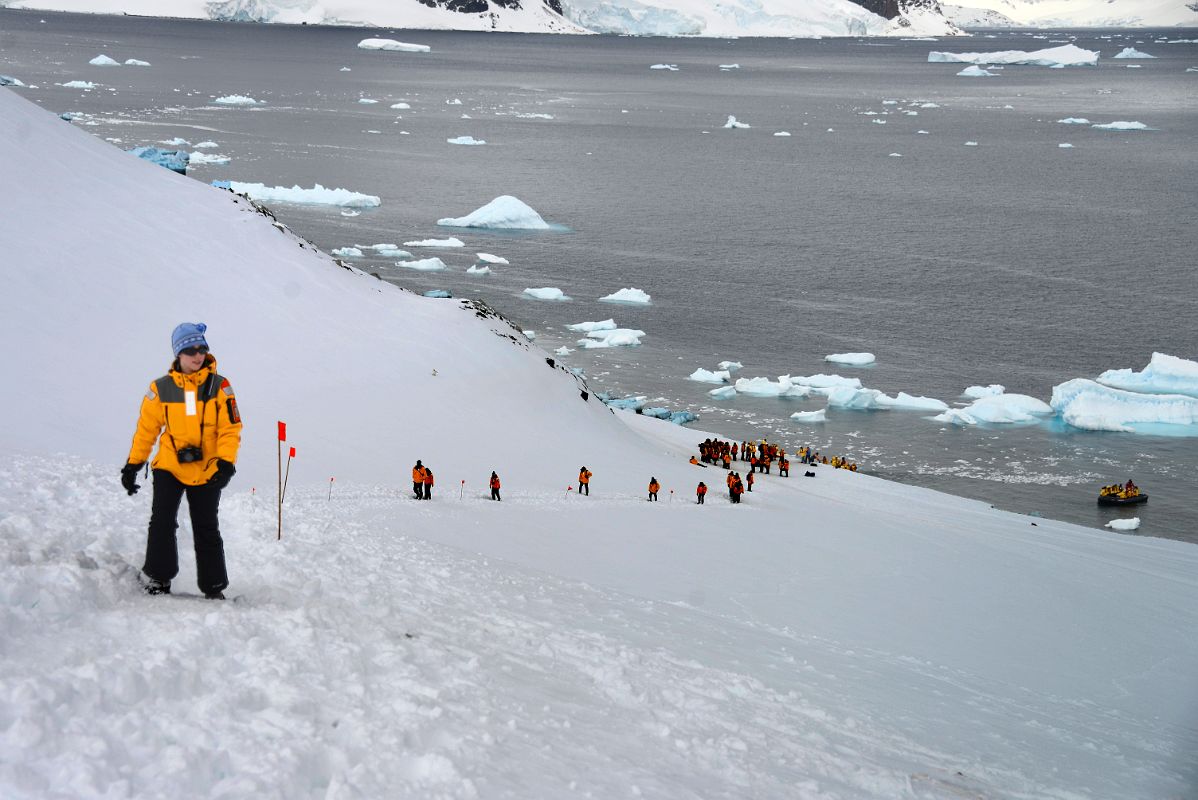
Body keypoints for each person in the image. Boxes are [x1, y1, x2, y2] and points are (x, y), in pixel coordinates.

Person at [122, 322, 241, 599]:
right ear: (178, 354)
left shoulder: (220, 387)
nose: (197, 355)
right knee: (162, 521)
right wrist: (133, 464)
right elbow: (147, 430)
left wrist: (225, 462)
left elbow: (230, 429)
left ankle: (214, 588)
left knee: (206, 526)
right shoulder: (160, 389)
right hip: (170, 467)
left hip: (208, 467)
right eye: (190, 350)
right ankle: (158, 578)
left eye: (202, 348)